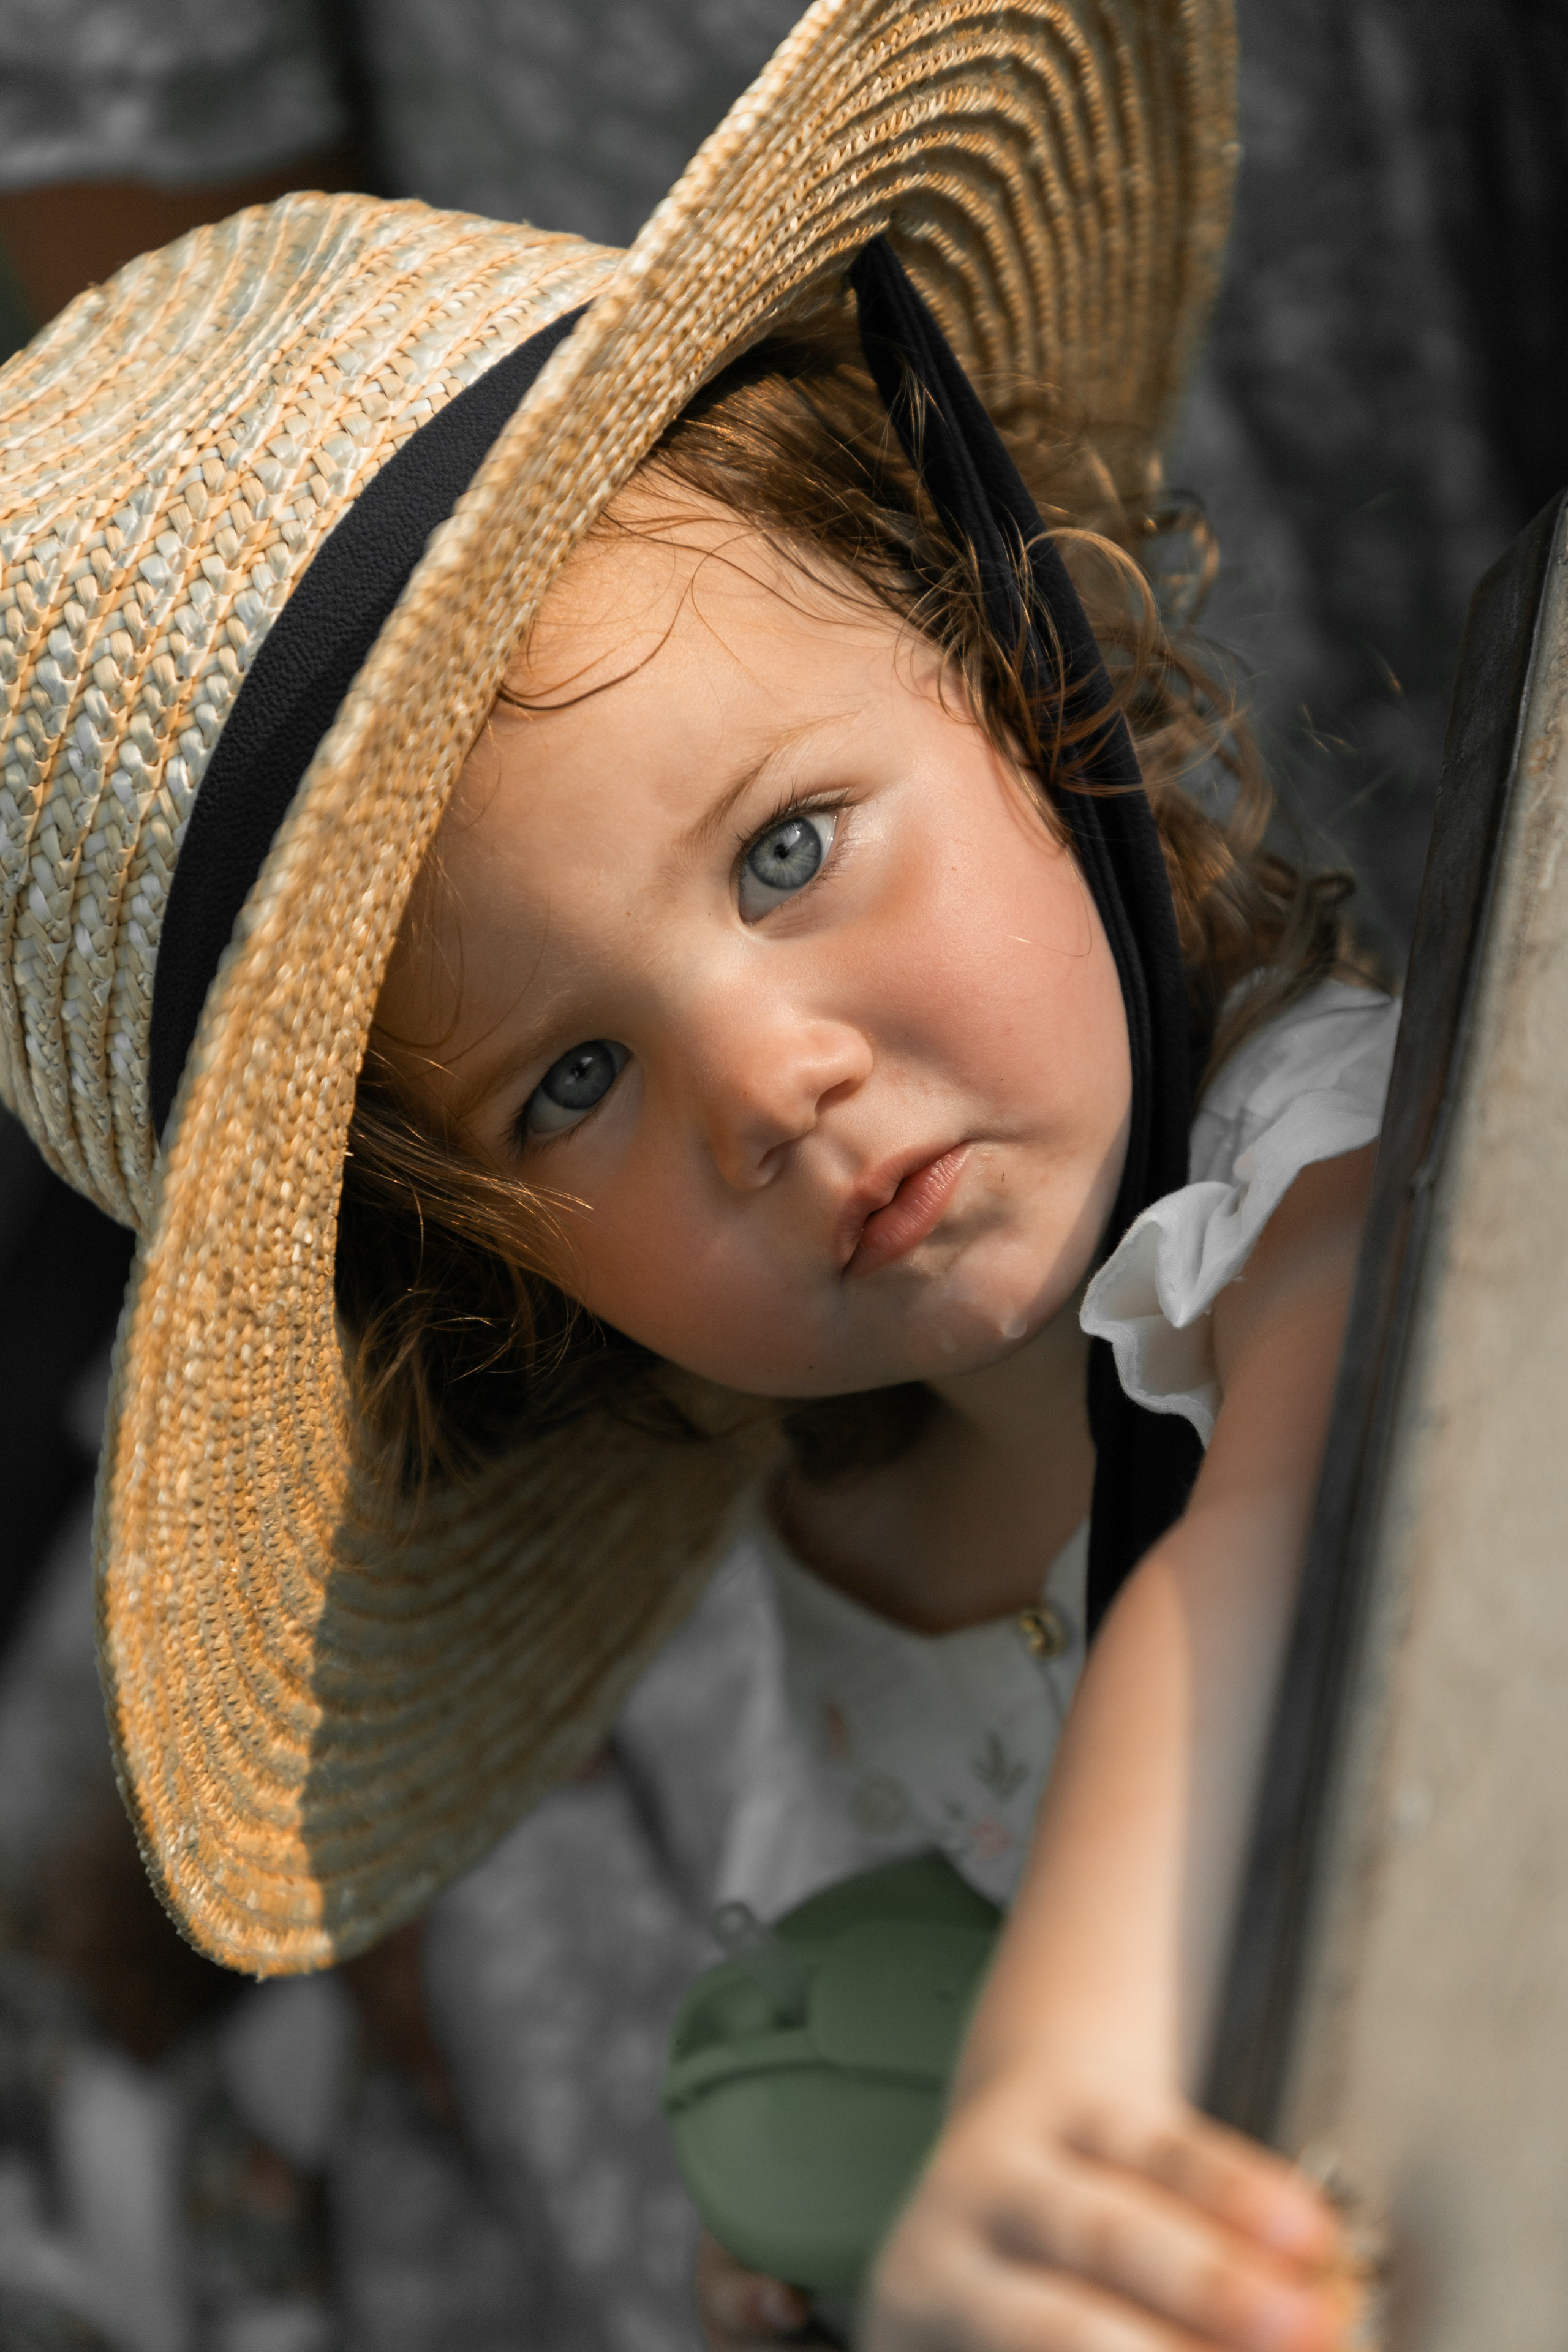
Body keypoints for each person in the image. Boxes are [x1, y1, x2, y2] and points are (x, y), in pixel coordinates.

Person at [0, 0, 1392, 2345]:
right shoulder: (778, 1538)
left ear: (1002, 654)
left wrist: (1039, 2108)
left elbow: (1274, 1539)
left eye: (790, 847)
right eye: (567, 1087)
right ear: (490, 1260)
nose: (771, 1082)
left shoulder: (1308, 1168)